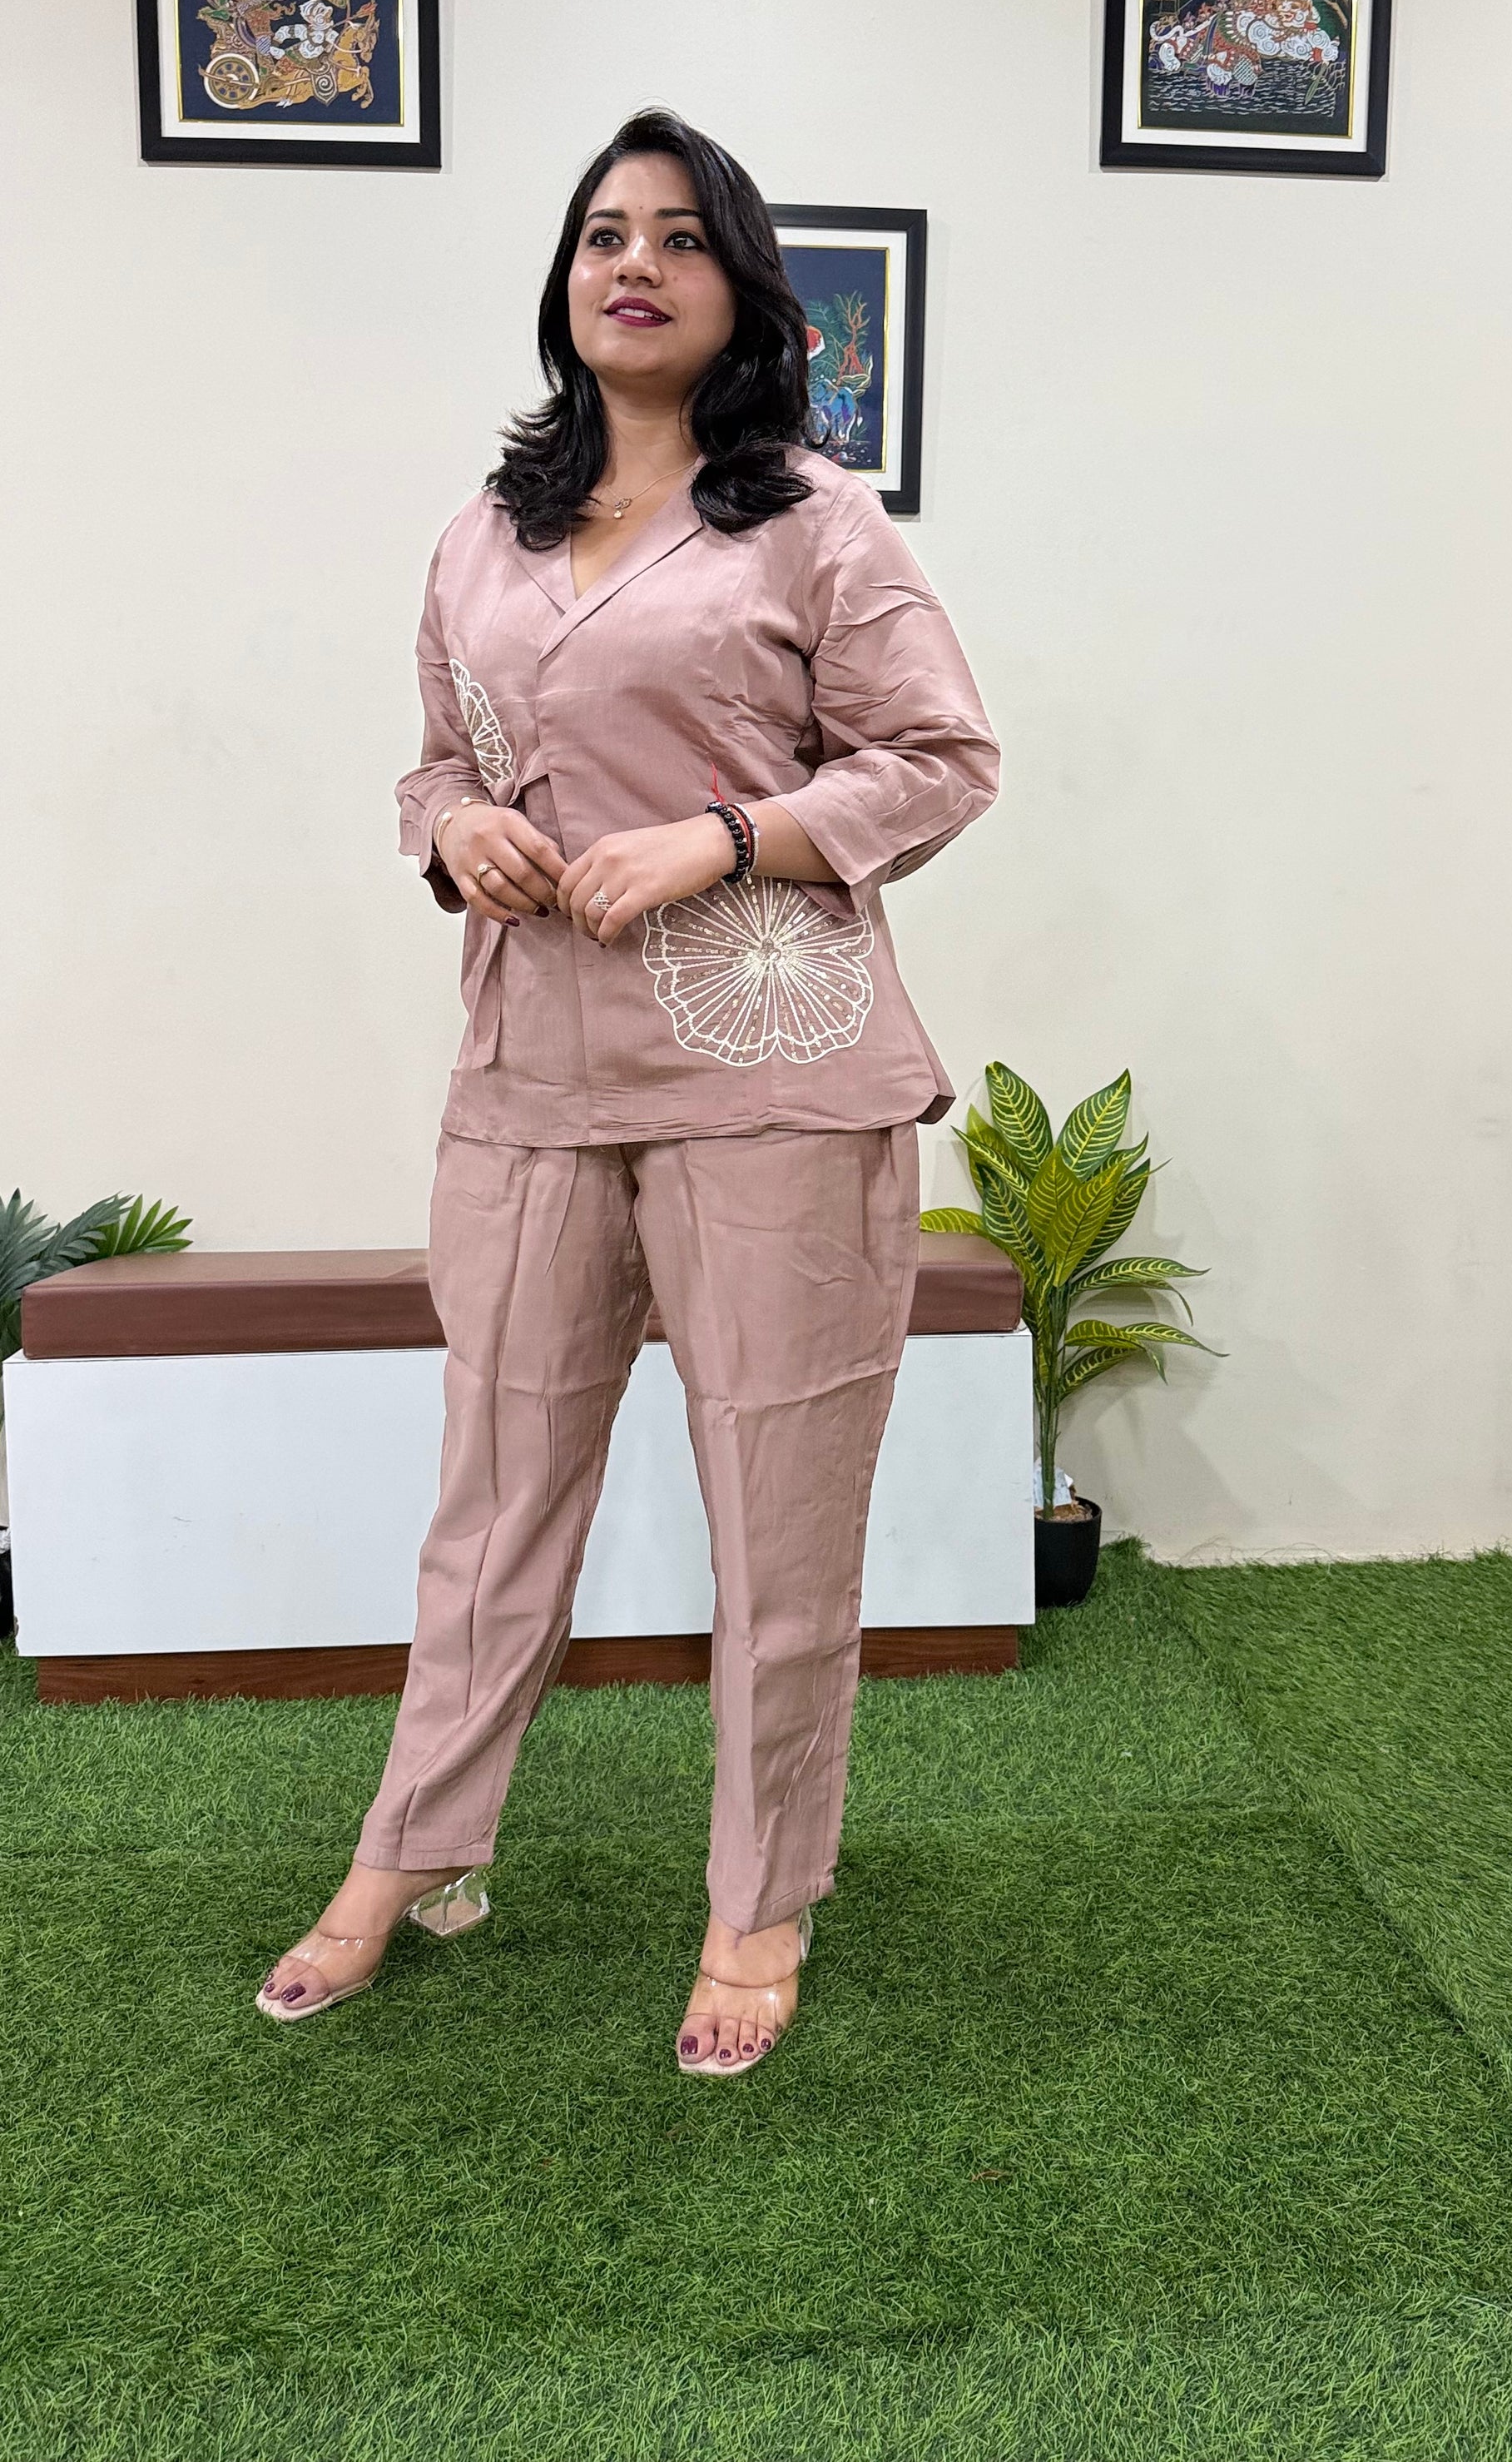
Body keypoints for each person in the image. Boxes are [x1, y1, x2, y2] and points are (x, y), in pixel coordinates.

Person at [256, 107, 999, 2072]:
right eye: (603, 233)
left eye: (678, 236)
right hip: (532, 1070)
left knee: (779, 1510)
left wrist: (726, 835)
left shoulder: (816, 522)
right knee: (493, 1497)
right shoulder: (479, 535)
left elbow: (940, 756)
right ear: (564, 279)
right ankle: (414, 1846)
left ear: (741, 288)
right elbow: (435, 758)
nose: (634, 265)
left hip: (776, 1076)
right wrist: (455, 829)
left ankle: (760, 1900)